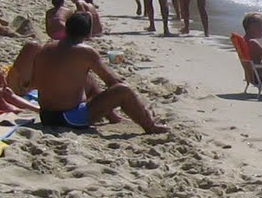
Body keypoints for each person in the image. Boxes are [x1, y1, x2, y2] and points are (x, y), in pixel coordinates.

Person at [10, 11, 167, 133]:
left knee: (89, 79)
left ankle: (113, 117)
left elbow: (36, 82)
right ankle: (150, 126)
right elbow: (113, 82)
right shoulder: (85, 52)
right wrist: (141, 107)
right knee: (123, 91)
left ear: (67, 28)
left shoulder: (47, 48)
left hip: (46, 116)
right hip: (68, 118)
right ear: (88, 33)